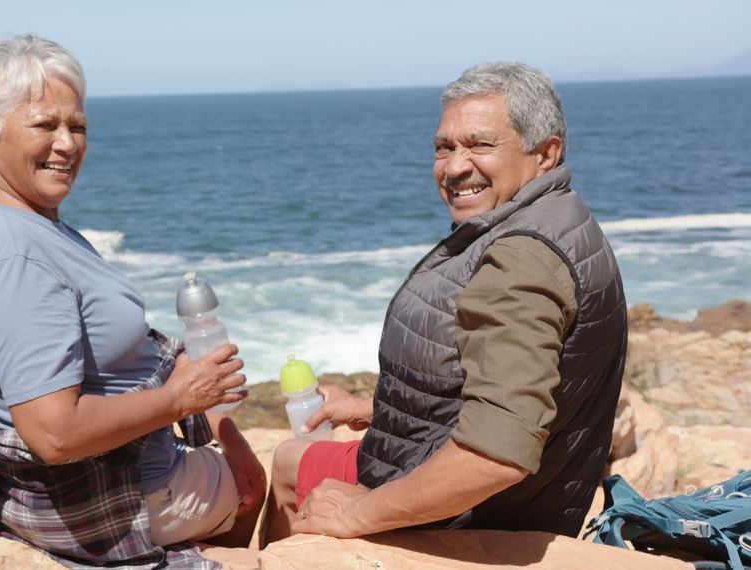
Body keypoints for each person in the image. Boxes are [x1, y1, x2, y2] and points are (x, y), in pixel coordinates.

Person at [263, 62, 627, 544]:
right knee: (290, 459)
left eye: (480, 144)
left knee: (295, 476)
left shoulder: (519, 261)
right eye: (444, 147)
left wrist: (358, 513)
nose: (455, 166)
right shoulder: (559, 217)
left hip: (466, 519)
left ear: (546, 153)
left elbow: (495, 455)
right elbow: (515, 386)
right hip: (484, 486)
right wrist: (376, 409)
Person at [0, 35, 266, 568]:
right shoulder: (16, 256)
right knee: (268, 484)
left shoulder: (8, 217)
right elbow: (53, 431)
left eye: (78, 127)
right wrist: (179, 400)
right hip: (107, 500)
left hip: (81, 483)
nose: (67, 144)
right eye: (46, 125)